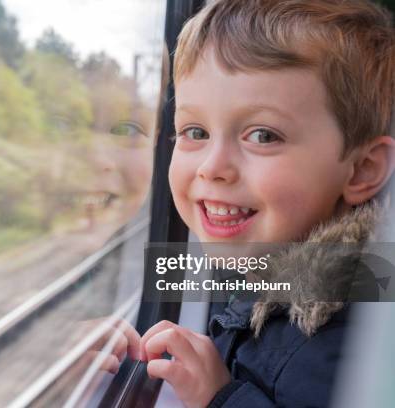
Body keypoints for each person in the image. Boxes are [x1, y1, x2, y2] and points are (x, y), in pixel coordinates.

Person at [134, 0, 394, 407]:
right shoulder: (257, 266)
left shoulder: (333, 349)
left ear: (361, 169)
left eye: (262, 136)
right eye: (195, 130)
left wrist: (220, 398)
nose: (212, 167)